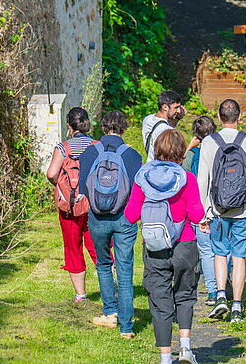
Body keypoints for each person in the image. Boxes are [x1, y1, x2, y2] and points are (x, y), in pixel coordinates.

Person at [125, 129, 204, 364]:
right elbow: (197, 214)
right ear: (181, 152)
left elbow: (130, 215)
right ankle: (186, 349)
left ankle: (165, 357)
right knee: (185, 294)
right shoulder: (187, 178)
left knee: (160, 300)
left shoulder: (142, 177)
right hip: (185, 243)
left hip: (155, 245)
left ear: (156, 149)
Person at [197, 99, 246, 323]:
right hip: (244, 210)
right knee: (240, 255)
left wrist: (204, 213)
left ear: (219, 117)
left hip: (217, 209)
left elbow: (203, 179)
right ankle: (236, 305)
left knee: (219, 253)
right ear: (240, 116)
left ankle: (220, 296)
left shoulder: (208, 142)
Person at [78, 111, 143, 339]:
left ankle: (110, 312)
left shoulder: (89, 152)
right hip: (124, 217)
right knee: (125, 269)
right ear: (124, 129)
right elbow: (137, 191)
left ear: (103, 128)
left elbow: (83, 188)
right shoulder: (133, 155)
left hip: (97, 217)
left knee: (104, 263)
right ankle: (126, 327)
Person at [45, 107, 98, 303]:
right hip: (92, 205)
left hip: (69, 206)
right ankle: (111, 287)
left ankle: (80, 295)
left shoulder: (62, 148)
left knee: (73, 247)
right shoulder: (96, 145)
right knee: (97, 246)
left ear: (69, 125)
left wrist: (62, 186)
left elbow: (51, 173)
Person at [182, 116, 219, 305]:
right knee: (221, 247)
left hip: (198, 206)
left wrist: (189, 147)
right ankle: (222, 286)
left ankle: (212, 290)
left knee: (205, 250)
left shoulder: (192, 155)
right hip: (220, 205)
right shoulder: (220, 150)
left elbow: (181, 175)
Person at [142, 90, 186, 162]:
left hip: (150, 165)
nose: (178, 111)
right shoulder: (164, 130)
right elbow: (175, 156)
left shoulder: (147, 120)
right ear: (165, 107)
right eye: (176, 107)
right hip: (163, 168)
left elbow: (165, 125)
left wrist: (177, 118)